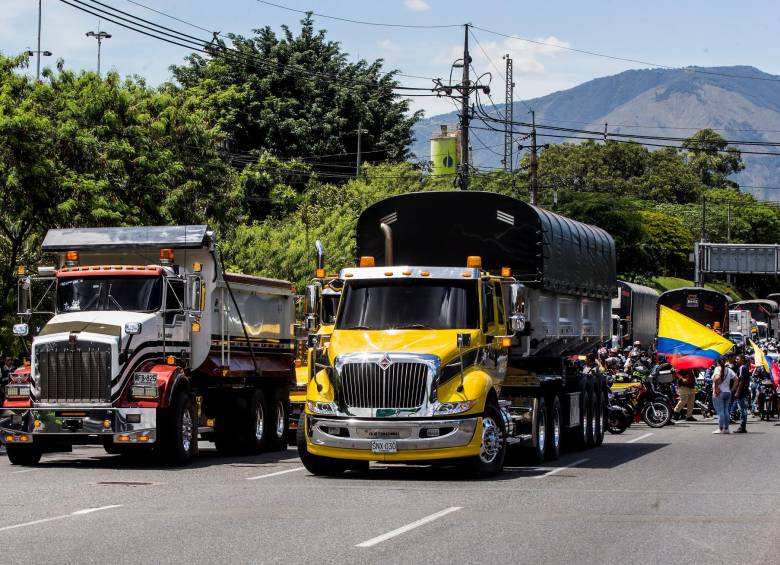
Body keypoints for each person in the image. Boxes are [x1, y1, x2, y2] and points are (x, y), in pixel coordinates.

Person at [712, 357, 737, 434]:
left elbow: (717, 378)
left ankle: (720, 428)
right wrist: (732, 389)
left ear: (718, 362)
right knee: (726, 411)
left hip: (719, 392)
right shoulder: (729, 370)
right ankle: (726, 428)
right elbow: (736, 379)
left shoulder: (717, 369)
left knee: (720, 411)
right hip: (727, 392)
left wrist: (716, 388)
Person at [733, 354, 751, 433]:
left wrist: (737, 392)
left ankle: (742, 426)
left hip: (742, 392)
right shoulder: (743, 368)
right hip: (743, 392)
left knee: (742, 410)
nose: (736, 361)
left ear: (742, 360)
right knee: (742, 409)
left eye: (737, 359)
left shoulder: (742, 368)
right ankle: (742, 426)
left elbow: (741, 381)